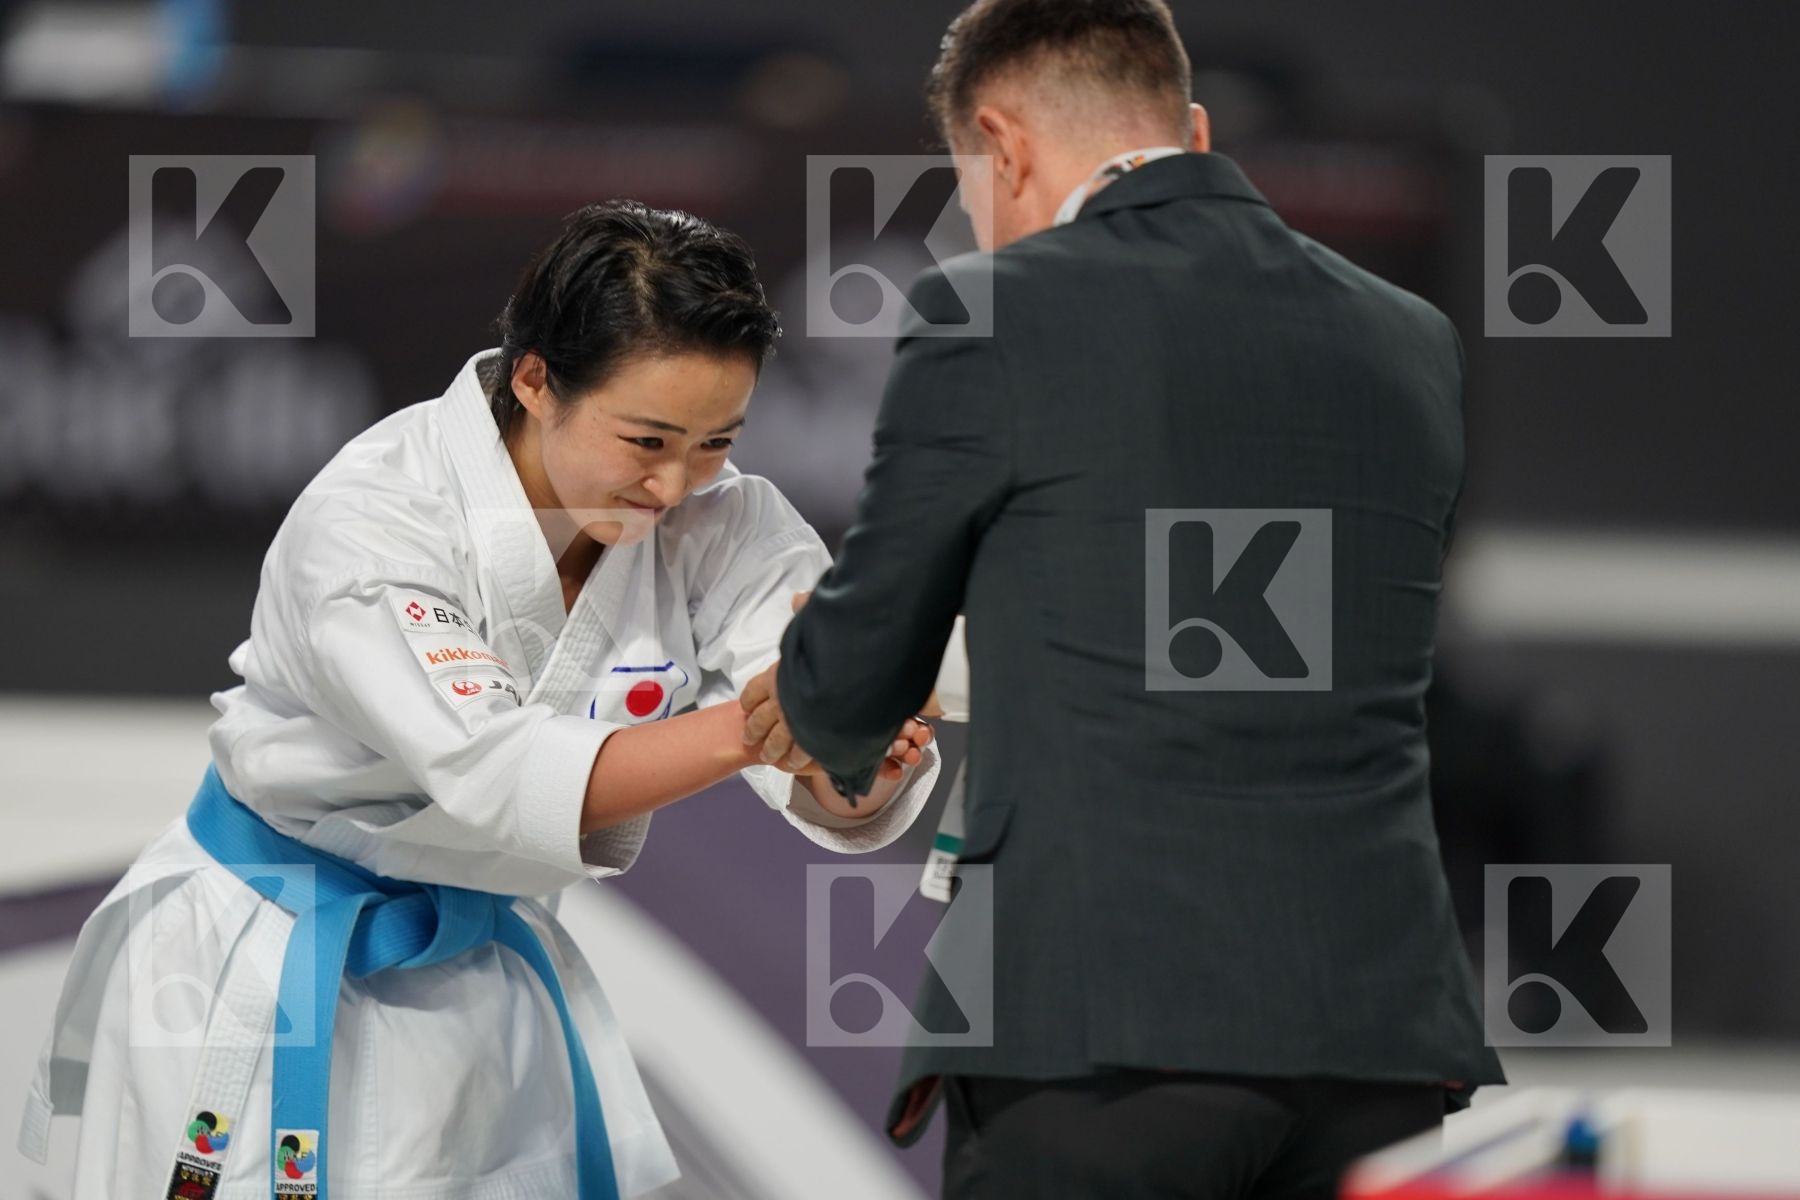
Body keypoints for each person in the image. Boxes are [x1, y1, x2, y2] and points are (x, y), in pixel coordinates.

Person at [18, 199, 941, 1199]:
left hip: (476, 974)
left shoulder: (730, 525)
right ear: (536, 379)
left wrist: (854, 747)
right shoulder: (375, 522)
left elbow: (821, 756)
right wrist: (771, 724)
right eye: (647, 440)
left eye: (716, 442)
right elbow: (501, 773)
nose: (676, 485)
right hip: (257, 963)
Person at [740, 0, 1507, 1196]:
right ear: (1191, 131)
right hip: (1376, 1041)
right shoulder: (1410, 338)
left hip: (1098, 1037)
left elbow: (846, 694)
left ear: (1003, 146)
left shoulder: (989, 316)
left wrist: (811, 664)